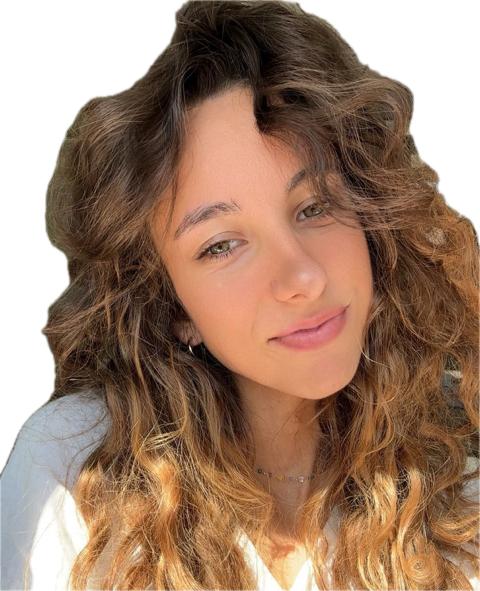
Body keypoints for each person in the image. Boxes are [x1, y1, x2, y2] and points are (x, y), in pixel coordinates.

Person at [1, 1, 479, 590]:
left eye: (314, 207)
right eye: (222, 245)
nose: (302, 276)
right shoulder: (75, 471)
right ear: (172, 306)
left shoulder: (460, 478)